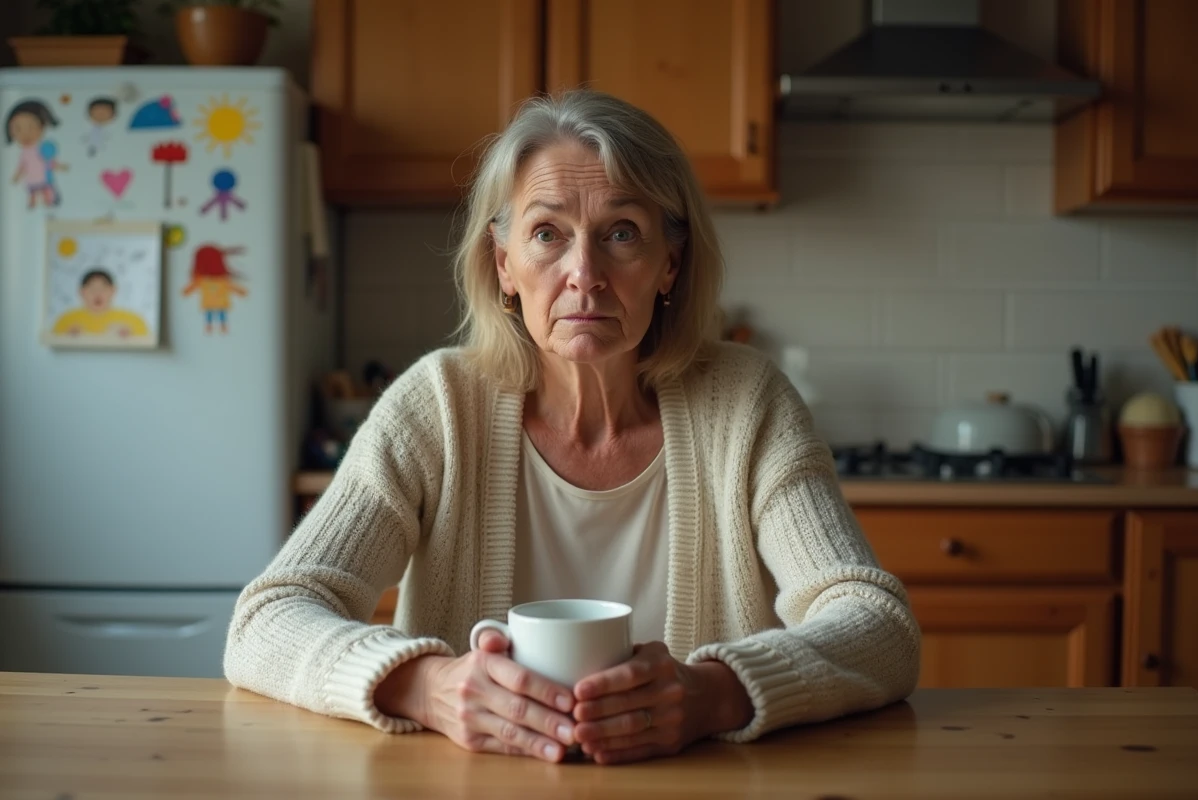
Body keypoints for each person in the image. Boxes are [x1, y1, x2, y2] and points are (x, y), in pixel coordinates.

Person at [224, 89, 920, 766]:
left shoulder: (746, 402)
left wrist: (715, 694)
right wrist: (427, 686)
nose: (583, 274)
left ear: (669, 263)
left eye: (622, 233)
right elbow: (268, 619)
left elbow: (877, 626)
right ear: (504, 265)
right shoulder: (437, 404)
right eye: (547, 234)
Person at [52, 269, 149, 339]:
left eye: (103, 289)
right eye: (92, 289)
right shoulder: (67, 319)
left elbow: (145, 340)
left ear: (113, 290)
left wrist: (128, 337)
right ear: (81, 292)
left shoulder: (133, 319)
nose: (97, 294)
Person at [6, 99, 60, 209]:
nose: (26, 134)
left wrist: (58, 166)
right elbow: (22, 165)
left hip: (43, 178)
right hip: (31, 179)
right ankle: (32, 205)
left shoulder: (42, 148)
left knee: (46, 193)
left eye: (31, 127)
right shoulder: (24, 153)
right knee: (32, 194)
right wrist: (17, 176)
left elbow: (48, 161)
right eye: (18, 129)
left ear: (42, 126)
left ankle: (49, 204)